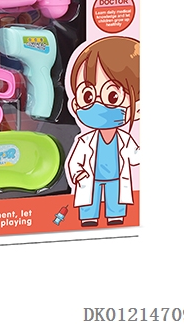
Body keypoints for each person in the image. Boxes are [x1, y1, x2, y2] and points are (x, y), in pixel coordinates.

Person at [66, 36, 140, 226]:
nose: (97, 106)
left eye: (112, 96)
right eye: (88, 96)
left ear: (138, 107)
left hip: (116, 177)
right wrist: (77, 172)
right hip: (90, 177)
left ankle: (115, 216)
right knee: (90, 198)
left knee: (116, 197)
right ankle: (89, 217)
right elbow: (75, 159)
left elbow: (136, 156)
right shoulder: (85, 141)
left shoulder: (124, 139)